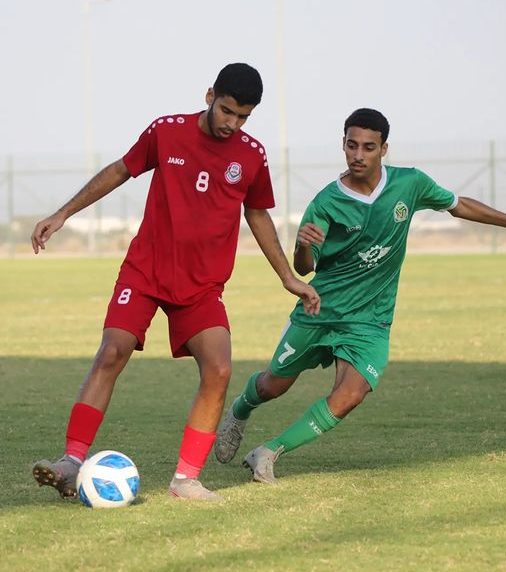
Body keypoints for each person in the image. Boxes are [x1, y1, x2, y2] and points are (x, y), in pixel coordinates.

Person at [213, 107, 506, 484]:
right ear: (343, 145)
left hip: (371, 319)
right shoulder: (326, 202)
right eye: (352, 145)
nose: (358, 155)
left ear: (384, 149)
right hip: (321, 310)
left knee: (351, 394)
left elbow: (458, 205)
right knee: (273, 385)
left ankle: (268, 452)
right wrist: (303, 246)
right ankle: (240, 409)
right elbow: (305, 267)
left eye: (368, 147)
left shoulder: (409, 184)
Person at [30, 63, 320, 502]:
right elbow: (119, 170)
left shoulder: (251, 155)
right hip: (146, 271)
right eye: (227, 111)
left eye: (243, 117)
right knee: (112, 350)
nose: (232, 123)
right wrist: (62, 214)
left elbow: (257, 214)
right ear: (209, 96)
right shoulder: (166, 131)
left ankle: (185, 480)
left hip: (202, 285)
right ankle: (71, 462)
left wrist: (288, 277)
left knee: (219, 369)